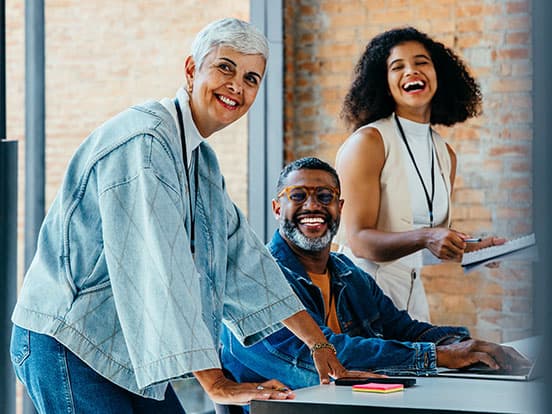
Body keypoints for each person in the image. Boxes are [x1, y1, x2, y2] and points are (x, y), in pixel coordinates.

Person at [9, 19, 375, 414]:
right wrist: (215, 382)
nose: (237, 86)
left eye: (251, 78)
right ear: (190, 70)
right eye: (225, 68)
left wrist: (318, 343)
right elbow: (159, 268)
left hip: (125, 346)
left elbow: (244, 259)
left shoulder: (201, 160)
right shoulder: (146, 143)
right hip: (70, 341)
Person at [220, 157, 529, 412]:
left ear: (339, 207)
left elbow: (404, 328)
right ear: (277, 208)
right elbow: (323, 360)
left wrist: (465, 346)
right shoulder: (256, 283)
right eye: (298, 196)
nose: (312, 206)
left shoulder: (349, 274)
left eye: (324, 197)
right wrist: (440, 356)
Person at [335, 27, 505, 322]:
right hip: (361, 296)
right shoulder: (370, 142)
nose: (411, 71)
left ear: (439, 73)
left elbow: (424, 244)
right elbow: (359, 240)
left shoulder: (444, 153)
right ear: (384, 83)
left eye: (421, 62)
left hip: (413, 297)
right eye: (397, 66)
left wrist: (474, 250)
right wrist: (429, 236)